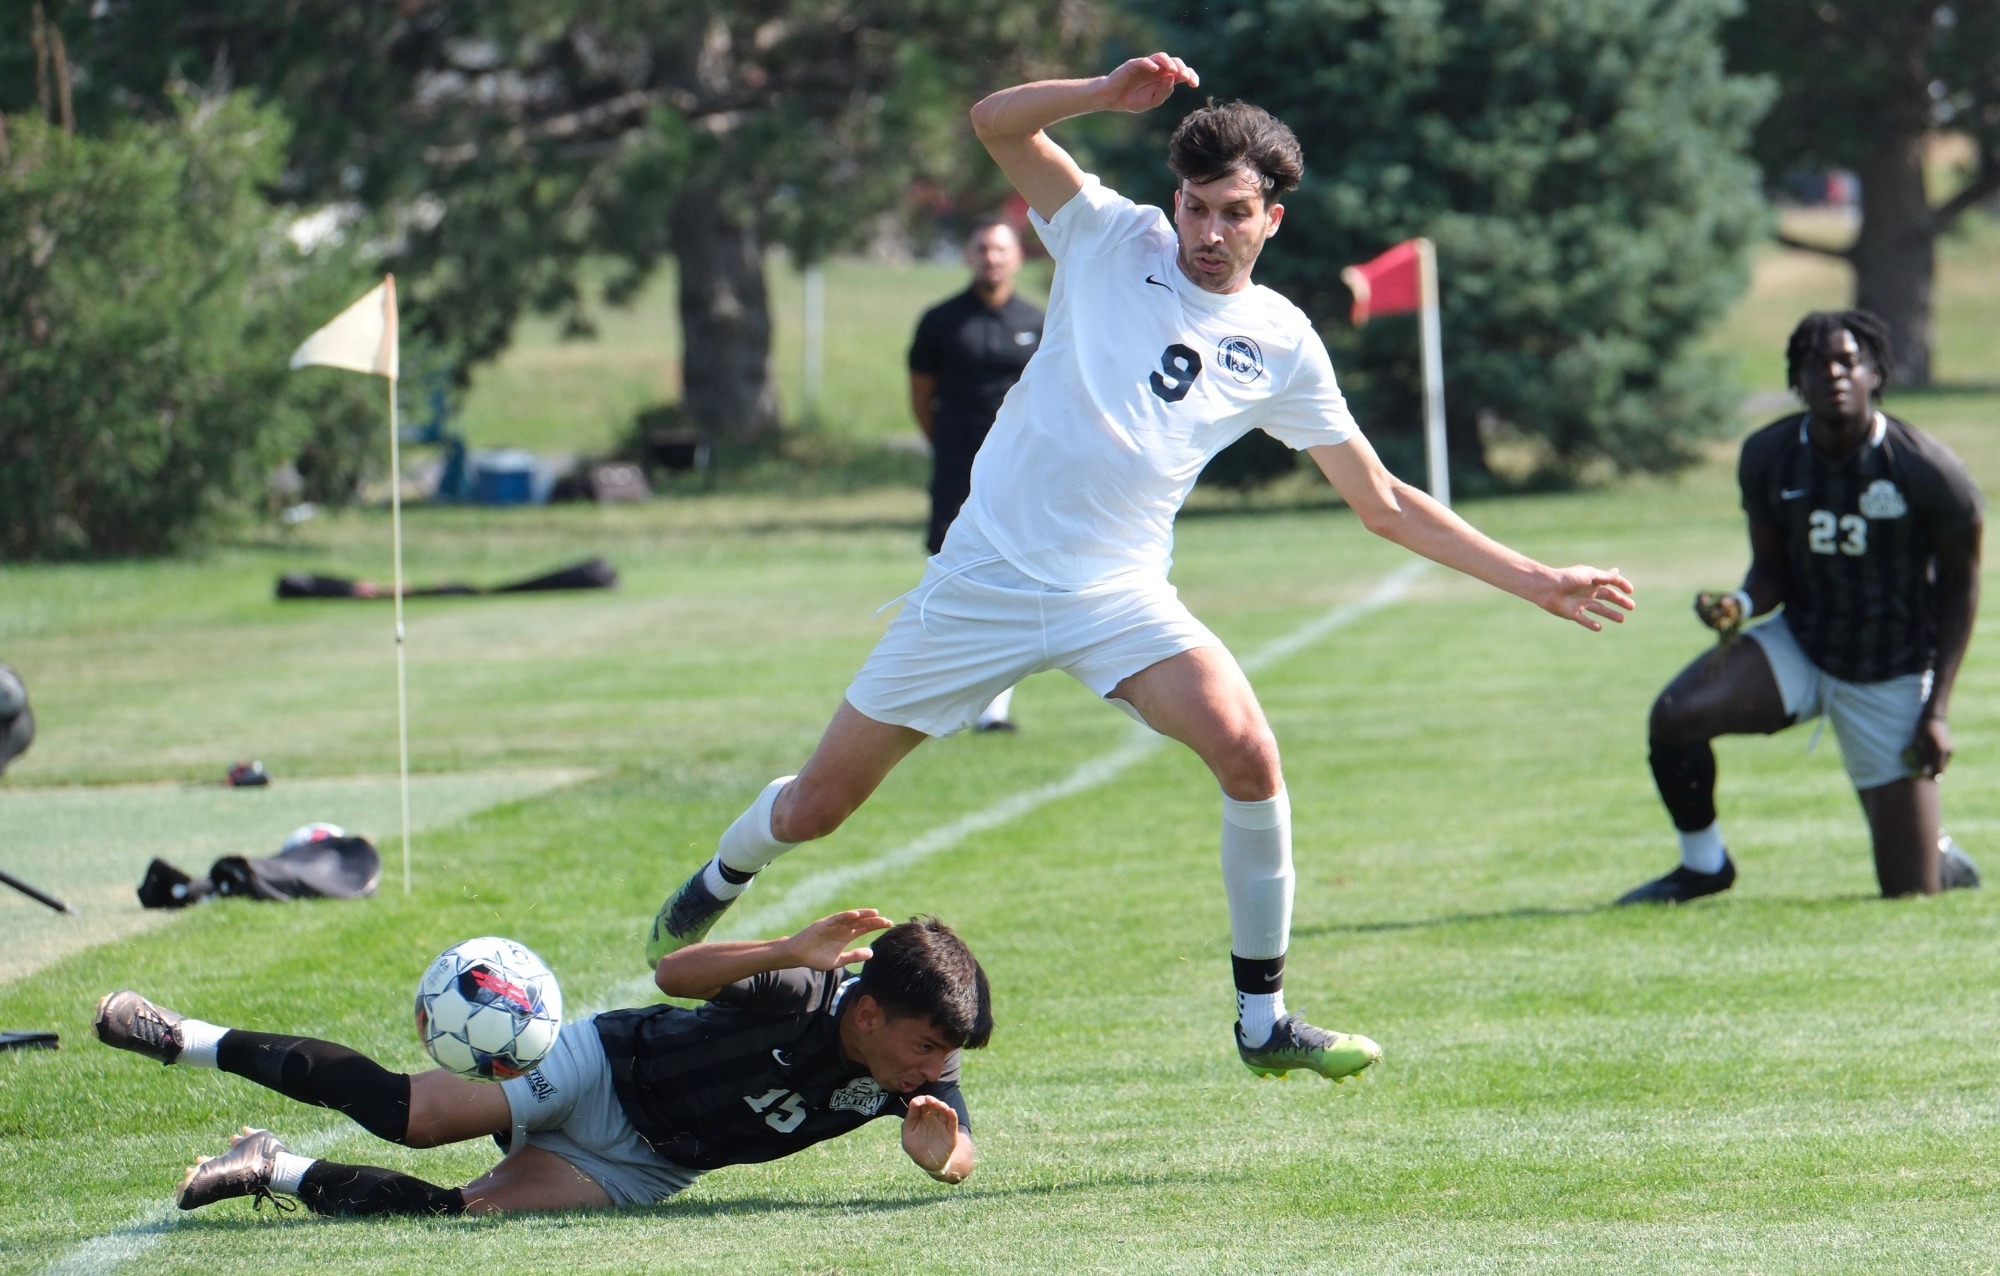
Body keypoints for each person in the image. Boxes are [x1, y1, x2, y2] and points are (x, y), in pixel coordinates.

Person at [648, 53, 1635, 1085]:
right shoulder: (1108, 234)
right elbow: (993, 122)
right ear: (1174, 201)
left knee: (1249, 753)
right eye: (1196, 208)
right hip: (982, 582)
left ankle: (1263, 1019)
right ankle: (720, 874)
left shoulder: (1281, 343)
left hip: (1118, 597)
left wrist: (1534, 578)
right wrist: (1098, 97)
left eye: (1233, 213)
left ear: (1271, 221)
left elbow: (1380, 500)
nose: (1208, 233)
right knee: (816, 809)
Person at [94, 910, 988, 1216]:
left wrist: (940, 1158)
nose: (934, 1070)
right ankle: (188, 1038)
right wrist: (787, 945)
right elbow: (673, 970)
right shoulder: (799, 989)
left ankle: (270, 1166)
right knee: (413, 1117)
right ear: (869, 1013)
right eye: (926, 1047)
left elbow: (960, 1153)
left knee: (466, 1213)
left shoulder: (918, 1086)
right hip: (600, 1066)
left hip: (644, 1166)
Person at [1621, 310, 1982, 904]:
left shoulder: (1928, 469)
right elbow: (1772, 572)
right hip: (1805, 643)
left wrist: (1935, 708)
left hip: (1889, 669)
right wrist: (1738, 603)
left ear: (1875, 374)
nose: (1833, 373)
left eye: (1847, 361)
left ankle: (1935, 854)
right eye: (1816, 364)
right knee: (1676, 714)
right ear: (1796, 379)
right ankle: (1703, 865)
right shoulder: (1769, 453)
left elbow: (1960, 590)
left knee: (1910, 893)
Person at [910, 216, 1047, 732]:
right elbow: (922, 400)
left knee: (1012, 581)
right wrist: (949, 448)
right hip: (956, 474)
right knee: (951, 581)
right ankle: (938, 693)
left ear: (1017, 257)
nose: (991, 258)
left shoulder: (1039, 321)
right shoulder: (940, 322)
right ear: (969, 255)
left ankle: (993, 711)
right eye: (982, 248)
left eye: (1001, 249)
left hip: (1020, 478)